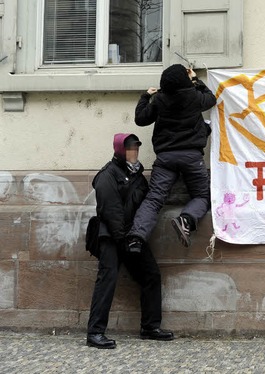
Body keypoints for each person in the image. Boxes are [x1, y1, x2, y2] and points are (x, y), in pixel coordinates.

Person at [87, 133, 174, 349]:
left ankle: (150, 327)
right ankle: (95, 333)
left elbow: (145, 205)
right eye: (129, 149)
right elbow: (111, 211)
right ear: (119, 150)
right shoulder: (108, 174)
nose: (133, 152)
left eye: (136, 148)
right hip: (110, 236)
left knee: (150, 274)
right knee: (107, 279)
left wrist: (135, 236)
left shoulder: (137, 176)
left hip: (131, 236)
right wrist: (123, 239)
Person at [127, 64, 217, 250]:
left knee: (154, 199)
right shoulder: (193, 96)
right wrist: (196, 80)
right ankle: (186, 219)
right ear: (184, 81)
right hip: (191, 157)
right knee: (202, 196)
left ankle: (136, 237)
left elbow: (141, 119)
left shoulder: (160, 100)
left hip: (165, 158)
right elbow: (211, 99)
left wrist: (146, 96)